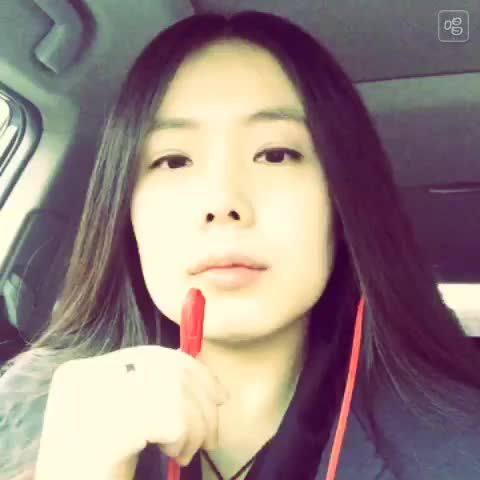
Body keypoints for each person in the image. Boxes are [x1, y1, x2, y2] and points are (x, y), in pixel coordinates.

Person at [1, 10, 480, 480]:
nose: (223, 203)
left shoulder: (461, 450)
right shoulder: (21, 415)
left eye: (275, 154)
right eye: (173, 161)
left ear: (341, 201)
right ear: (125, 211)